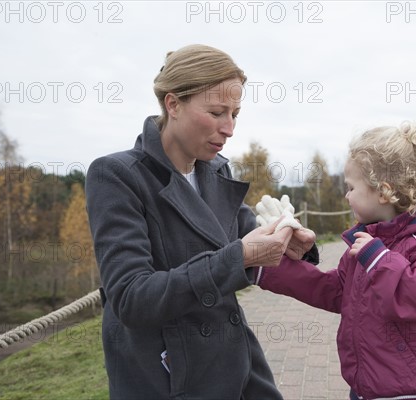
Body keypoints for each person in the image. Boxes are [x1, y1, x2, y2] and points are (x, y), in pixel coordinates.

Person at [85, 44, 314, 399]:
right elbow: (132, 298)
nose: (230, 128)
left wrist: (290, 242)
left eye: (235, 114)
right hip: (169, 376)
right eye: (216, 112)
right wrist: (239, 256)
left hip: (238, 360)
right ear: (173, 104)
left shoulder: (217, 169)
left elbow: (245, 239)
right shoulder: (116, 176)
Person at [257, 122, 416, 400]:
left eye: (351, 187)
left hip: (415, 390)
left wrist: (380, 259)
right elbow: (335, 290)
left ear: (382, 191)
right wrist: (268, 266)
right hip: (366, 385)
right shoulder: (367, 242)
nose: (346, 195)